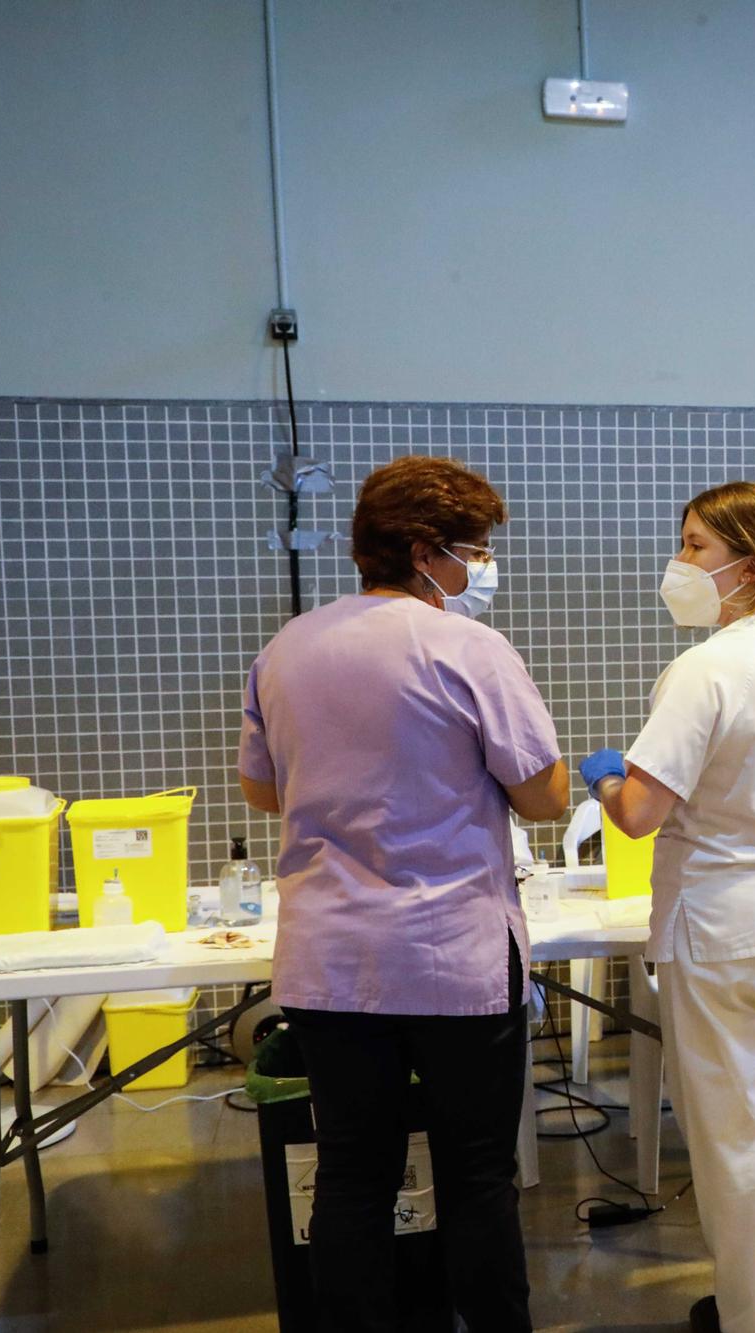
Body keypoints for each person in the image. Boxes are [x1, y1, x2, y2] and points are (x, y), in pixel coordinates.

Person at [237, 455, 566, 1332]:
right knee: (477, 1173)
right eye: (474, 550)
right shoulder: (470, 649)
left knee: (351, 1172)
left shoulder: (285, 650)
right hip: (453, 959)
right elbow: (546, 794)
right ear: (426, 552)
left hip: (330, 964)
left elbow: (265, 790)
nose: (482, 568)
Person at [580, 481, 755, 1333]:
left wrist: (603, 774)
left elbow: (638, 814)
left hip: (725, 932)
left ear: (752, 563)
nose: (681, 563)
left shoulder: (704, 670)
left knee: (734, 1139)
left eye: (697, 546)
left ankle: (750, 1317)